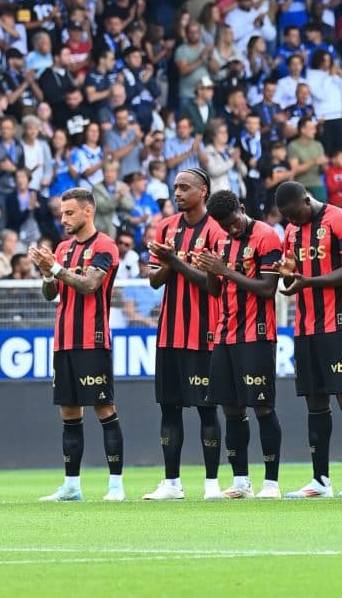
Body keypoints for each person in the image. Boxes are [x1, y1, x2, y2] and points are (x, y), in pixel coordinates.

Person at [273, 181, 342, 499]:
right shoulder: (290, 231)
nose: (292, 221)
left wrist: (307, 281)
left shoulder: (340, 220)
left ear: (306, 199)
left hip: (338, 324)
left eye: (294, 213)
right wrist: (287, 273)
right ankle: (320, 480)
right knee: (314, 402)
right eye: (286, 217)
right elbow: (293, 275)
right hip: (305, 327)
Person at [29, 188, 124, 502]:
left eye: (69, 213)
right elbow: (50, 292)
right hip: (64, 341)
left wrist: (54, 268)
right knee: (69, 413)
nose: (63, 219)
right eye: (61, 213)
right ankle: (71, 486)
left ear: (88, 212)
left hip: (92, 340)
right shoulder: (64, 247)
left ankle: (115, 486)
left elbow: (89, 284)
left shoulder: (105, 246)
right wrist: (46, 273)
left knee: (104, 408)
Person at [141, 168, 226, 501]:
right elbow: (154, 280)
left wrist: (174, 261)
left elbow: (212, 284)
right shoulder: (166, 227)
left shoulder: (217, 230)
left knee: (207, 409)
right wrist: (167, 262)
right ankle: (171, 483)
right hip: (170, 334)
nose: (177, 193)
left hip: (204, 334)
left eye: (184, 187)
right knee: (169, 408)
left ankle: (211, 484)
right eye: (175, 187)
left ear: (203, 191)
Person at [196, 189, 285, 500]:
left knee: (262, 407)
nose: (231, 229)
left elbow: (267, 289)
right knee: (231, 409)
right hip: (225, 335)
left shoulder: (267, 236)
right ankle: (241, 480)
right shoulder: (220, 241)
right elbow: (215, 291)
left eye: (233, 222)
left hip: (257, 335)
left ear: (243, 209)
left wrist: (225, 271)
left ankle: (271, 483)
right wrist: (210, 271)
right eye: (224, 225)